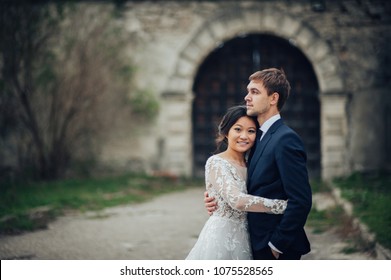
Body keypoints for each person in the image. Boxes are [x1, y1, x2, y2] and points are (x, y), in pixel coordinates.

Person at [205, 68, 312, 260]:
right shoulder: (257, 138)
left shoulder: (285, 139)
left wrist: (276, 245)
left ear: (273, 98)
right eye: (248, 91)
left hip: (275, 246)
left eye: (254, 92)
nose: (247, 97)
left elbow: (301, 200)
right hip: (253, 242)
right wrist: (216, 197)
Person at [186, 105, 287, 260]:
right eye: (238, 129)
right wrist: (282, 206)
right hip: (222, 237)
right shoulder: (216, 162)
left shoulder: (252, 164)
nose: (244, 136)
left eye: (251, 131)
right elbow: (237, 201)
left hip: (249, 236)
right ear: (226, 132)